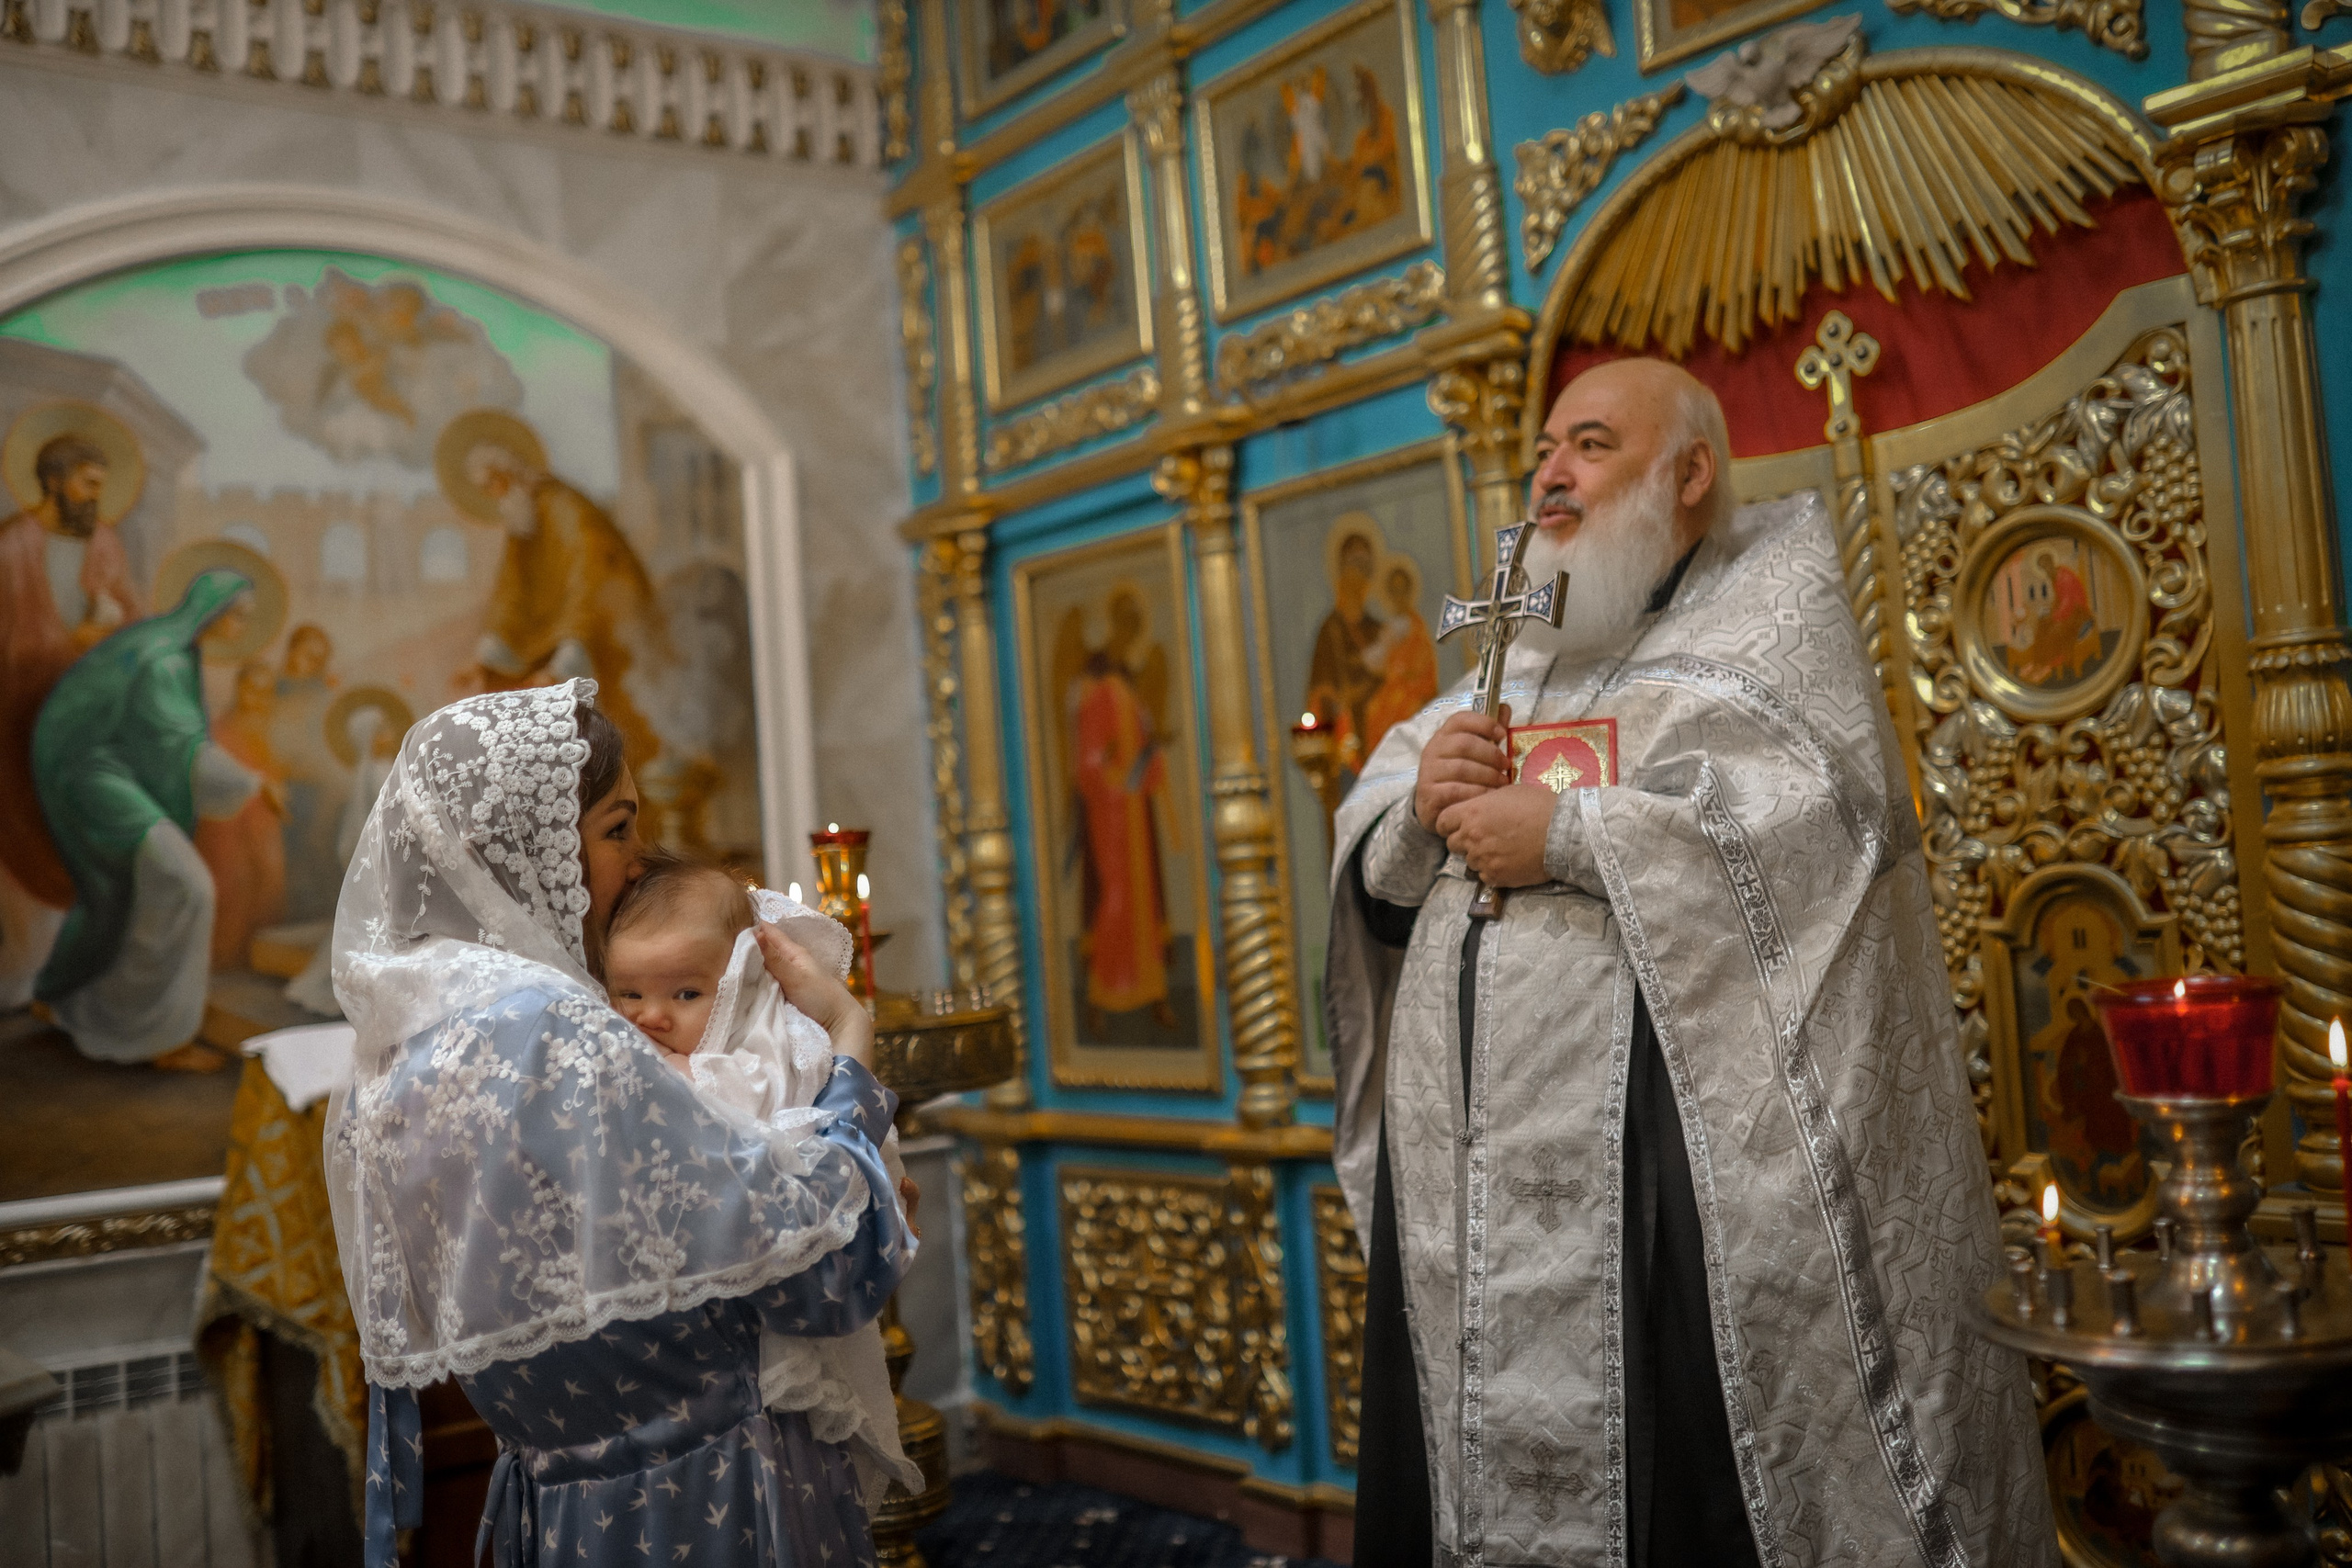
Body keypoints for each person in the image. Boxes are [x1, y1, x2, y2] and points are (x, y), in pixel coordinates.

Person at [1324, 358, 2052, 1567]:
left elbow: (1822, 824)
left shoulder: (1769, 624)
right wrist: (1422, 808)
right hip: (1475, 1190)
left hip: (1669, 1188)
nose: (1551, 472)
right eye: (1546, 446)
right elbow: (1381, 856)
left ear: (1689, 471)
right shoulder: (1529, 643)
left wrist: (1567, 831)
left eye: (1592, 443)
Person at [325, 682, 915, 1566]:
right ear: (523, 846)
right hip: (709, 1499)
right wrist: (850, 1044)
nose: (639, 862)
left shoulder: (401, 1045)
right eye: (615, 828)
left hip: (566, 1505)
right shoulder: (555, 1031)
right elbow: (824, 1272)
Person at [602, 853, 922, 1511]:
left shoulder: (755, 1058)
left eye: (685, 994)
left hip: (790, 1304)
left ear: (741, 984)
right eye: (628, 994)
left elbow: (780, 1127)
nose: (649, 1017)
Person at [32, 570, 265, 1070]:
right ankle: (161, 1038)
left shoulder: (173, 647)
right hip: (93, 778)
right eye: (239, 615)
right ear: (215, 610)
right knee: (189, 886)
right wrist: (254, 784)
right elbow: (189, 756)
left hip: (100, 774)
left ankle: (73, 1004)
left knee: (123, 892)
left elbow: (165, 744)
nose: (243, 626)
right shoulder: (165, 660)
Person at [0, 426, 144, 1004]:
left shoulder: (103, 543)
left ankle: (69, 978)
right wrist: (75, 639)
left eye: (102, 487)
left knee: (82, 840)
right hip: (18, 720)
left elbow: (132, 615)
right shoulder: (11, 548)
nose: (95, 498)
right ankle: (22, 974)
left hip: (85, 721)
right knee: (22, 838)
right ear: (53, 480)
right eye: (87, 484)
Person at [434, 409, 664, 772]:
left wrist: (564, 664)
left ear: (511, 471)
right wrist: (484, 656)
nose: (495, 495)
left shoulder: (564, 509)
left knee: (606, 753)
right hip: (552, 649)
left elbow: (590, 583)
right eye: (486, 490)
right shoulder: (522, 523)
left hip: (599, 643)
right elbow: (510, 596)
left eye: (496, 483)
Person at [192, 659, 288, 969]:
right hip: (226, 824)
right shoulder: (218, 732)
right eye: (252, 690)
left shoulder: (268, 731)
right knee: (231, 887)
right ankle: (220, 962)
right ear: (239, 689)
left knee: (268, 885)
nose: (258, 699)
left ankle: (251, 960)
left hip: (261, 823)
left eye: (266, 692)